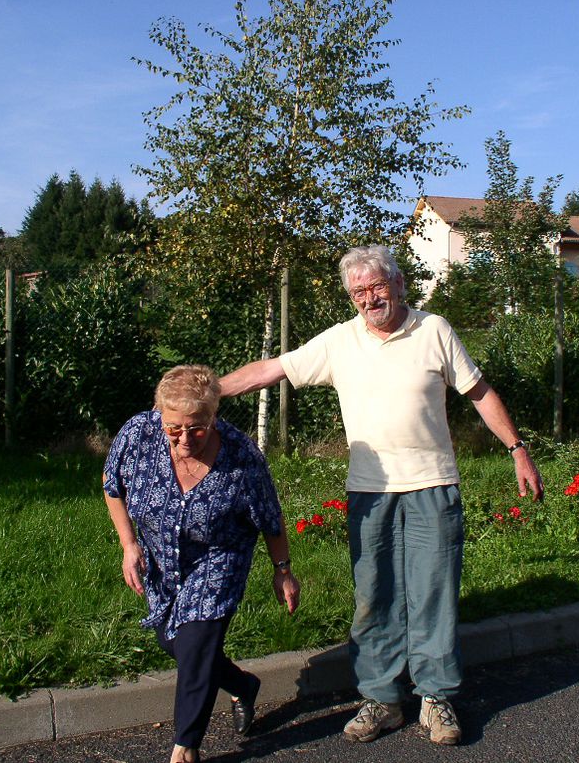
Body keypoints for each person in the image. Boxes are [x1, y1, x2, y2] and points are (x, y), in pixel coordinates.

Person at [220, 245, 543, 747]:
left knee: (433, 592)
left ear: (397, 284)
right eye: (358, 291)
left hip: (432, 483)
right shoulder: (340, 341)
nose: (369, 298)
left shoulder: (434, 330)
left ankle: (436, 698)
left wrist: (518, 450)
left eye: (376, 287)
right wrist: (204, 393)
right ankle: (383, 699)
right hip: (370, 493)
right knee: (375, 595)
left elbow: (479, 393)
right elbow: (271, 370)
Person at [103, 365, 301, 763]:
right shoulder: (137, 435)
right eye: (174, 428)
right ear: (160, 414)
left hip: (219, 557)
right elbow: (112, 486)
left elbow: (269, 516)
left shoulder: (241, 455)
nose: (185, 438)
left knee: (195, 643)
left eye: (197, 428)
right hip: (163, 561)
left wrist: (283, 571)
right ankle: (242, 685)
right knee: (173, 641)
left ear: (214, 417)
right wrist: (129, 545)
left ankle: (186, 745)